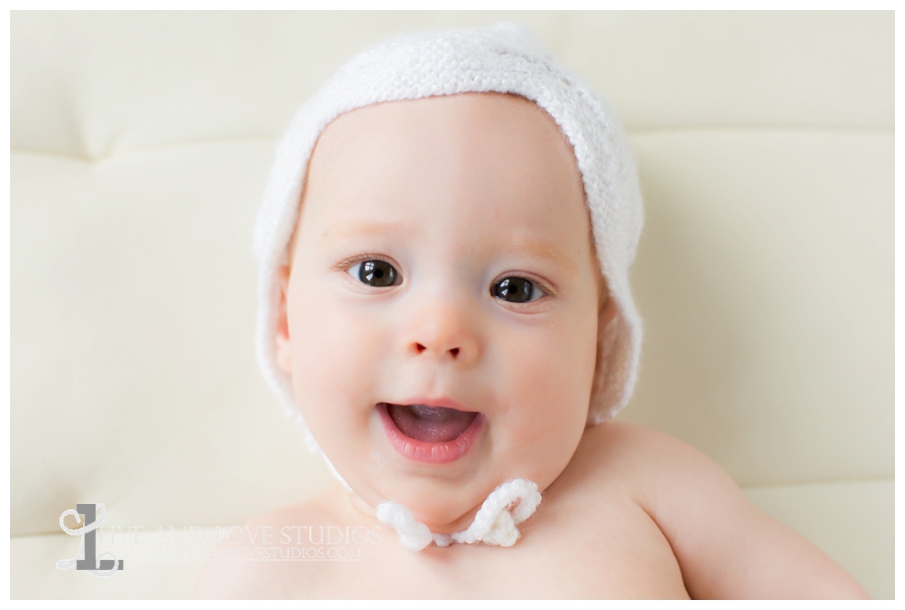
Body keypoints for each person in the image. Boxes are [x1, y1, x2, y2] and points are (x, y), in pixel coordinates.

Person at [192, 24, 868, 599]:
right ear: (285, 322)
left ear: (600, 344)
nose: (440, 333)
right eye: (377, 273)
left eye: (514, 288)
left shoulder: (647, 486)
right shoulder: (268, 568)